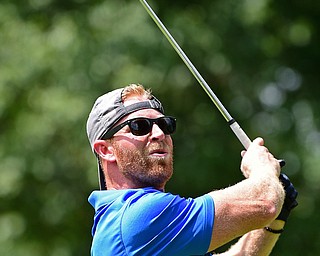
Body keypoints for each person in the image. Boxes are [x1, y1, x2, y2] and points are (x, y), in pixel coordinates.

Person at [86, 83, 298, 256]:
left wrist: (273, 223)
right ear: (106, 150)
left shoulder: (159, 233)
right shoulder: (136, 216)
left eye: (165, 124)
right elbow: (265, 202)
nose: (159, 133)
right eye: (139, 126)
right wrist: (263, 169)